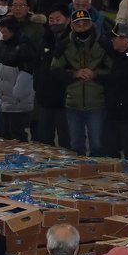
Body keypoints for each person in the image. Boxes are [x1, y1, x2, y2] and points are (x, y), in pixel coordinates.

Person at [53, 9, 111, 157]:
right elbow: (54, 70)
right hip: (73, 102)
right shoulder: (64, 45)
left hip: (97, 101)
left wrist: (95, 75)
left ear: (91, 24)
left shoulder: (103, 43)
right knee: (75, 145)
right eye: (78, 25)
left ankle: (98, 175)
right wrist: (74, 74)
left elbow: (114, 70)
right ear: (72, 26)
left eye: (85, 24)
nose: (82, 27)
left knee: (98, 145)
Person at [0, 16, 38, 141]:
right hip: (6, 99)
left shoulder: (24, 47)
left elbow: (26, 73)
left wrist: (16, 94)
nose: (1, 33)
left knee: (17, 134)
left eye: (3, 31)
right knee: (7, 133)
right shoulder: (3, 44)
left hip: (18, 101)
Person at [33, 8, 72, 150]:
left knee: (67, 142)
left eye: (58, 19)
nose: (54, 23)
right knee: (44, 142)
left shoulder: (72, 41)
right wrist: (37, 85)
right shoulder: (44, 39)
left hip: (65, 101)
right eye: (51, 20)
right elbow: (37, 65)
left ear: (67, 20)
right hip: (45, 99)